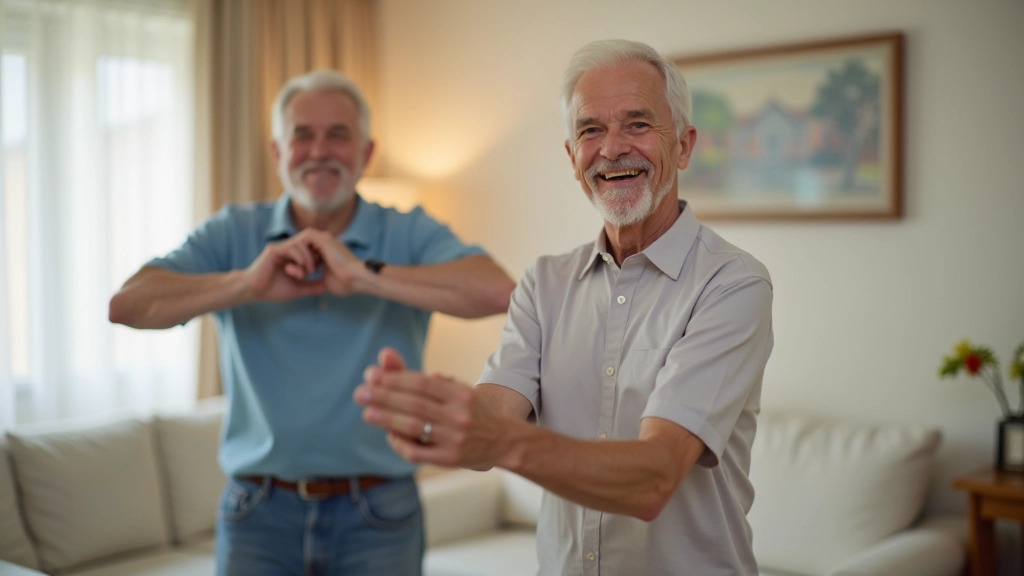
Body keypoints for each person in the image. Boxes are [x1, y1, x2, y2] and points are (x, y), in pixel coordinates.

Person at [355, 39, 774, 575]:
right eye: (590, 130)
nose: (612, 147)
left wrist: (498, 439)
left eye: (638, 125)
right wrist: (438, 418)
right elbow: (489, 426)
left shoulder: (732, 283)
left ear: (685, 146)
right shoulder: (543, 283)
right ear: (572, 157)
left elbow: (654, 479)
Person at [108, 69, 515, 575]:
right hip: (257, 512)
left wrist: (364, 275)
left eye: (338, 135)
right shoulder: (235, 231)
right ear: (279, 153)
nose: (319, 150)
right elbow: (126, 306)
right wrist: (246, 284)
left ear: (366, 153)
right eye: (302, 135)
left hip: (380, 514)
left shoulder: (405, 230)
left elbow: (499, 290)